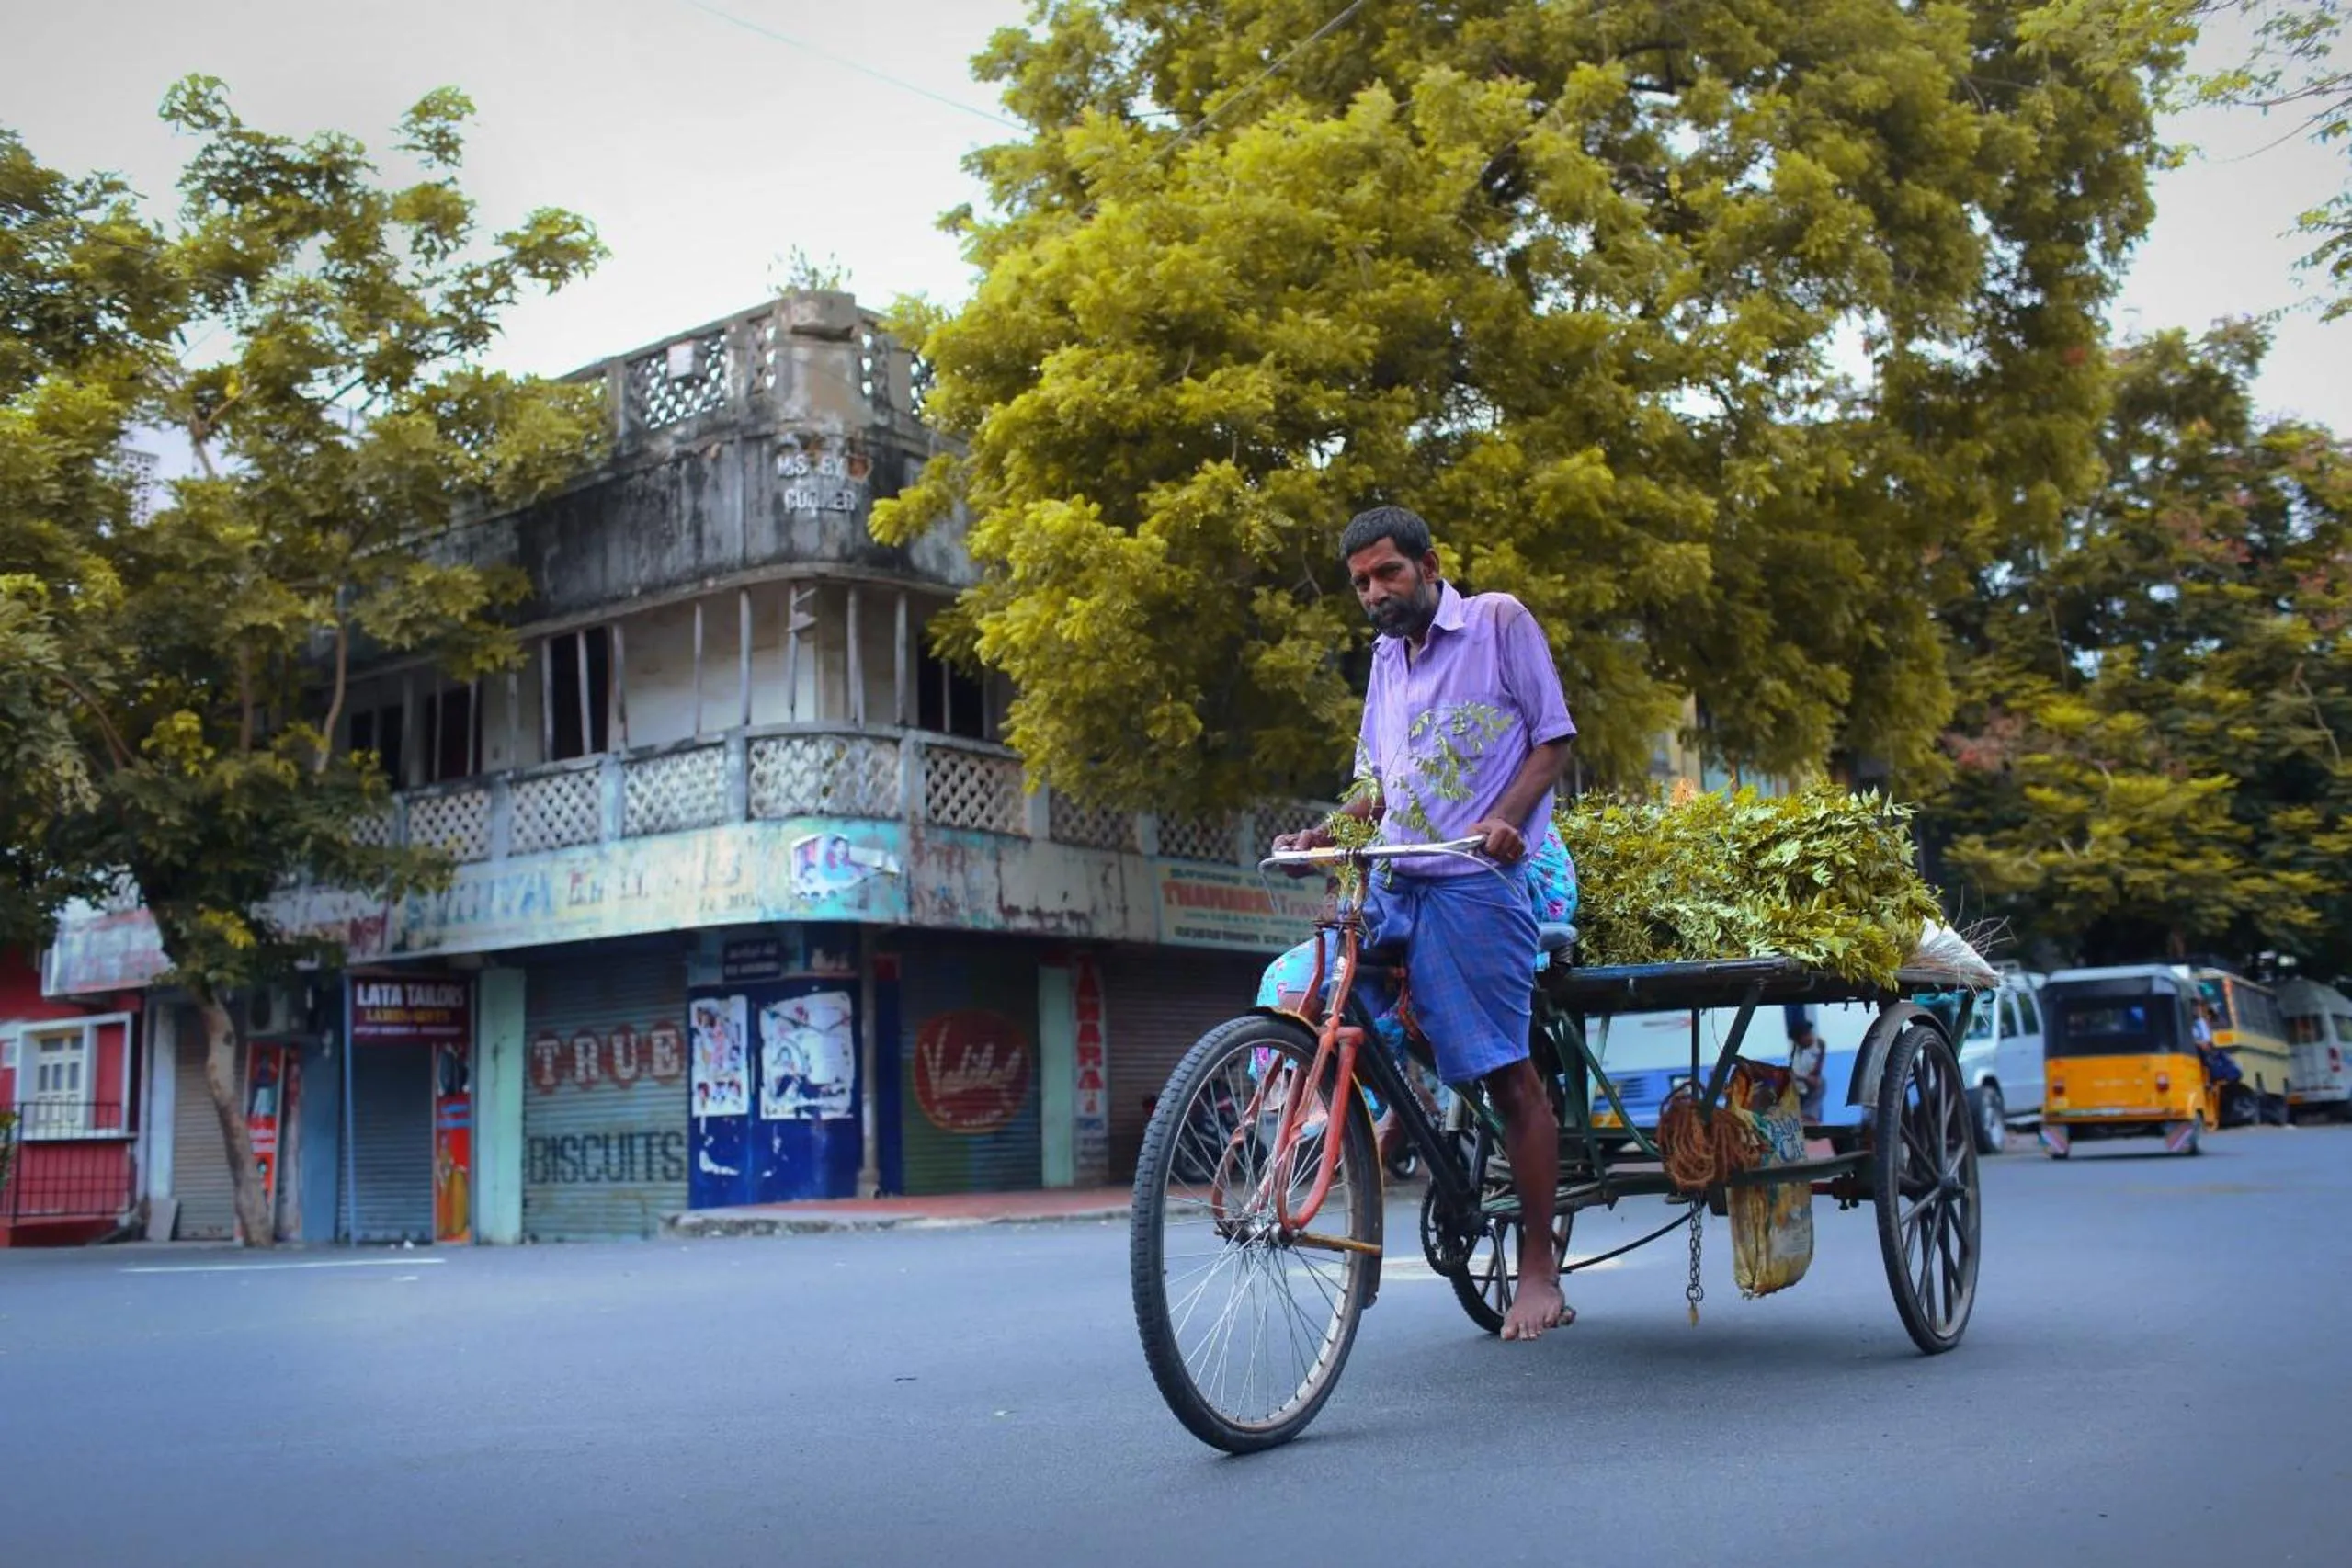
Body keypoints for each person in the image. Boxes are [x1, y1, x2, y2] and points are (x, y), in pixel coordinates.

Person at [1273, 506, 1578, 1341]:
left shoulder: (1497, 622)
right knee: (1312, 993)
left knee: (1506, 1076)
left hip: (1476, 875)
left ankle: (1539, 1269)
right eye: (1360, 583)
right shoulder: (1383, 661)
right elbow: (1375, 787)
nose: (1374, 592)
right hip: (1393, 875)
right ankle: (1389, 1121)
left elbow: (1551, 741)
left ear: (1429, 565)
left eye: (1387, 573)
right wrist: (1320, 834)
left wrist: (1505, 818)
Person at [1786, 1006, 1826, 1125]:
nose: (1811, 1037)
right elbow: (1811, 1079)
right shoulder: (1798, 1057)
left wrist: (1822, 1053)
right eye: (1808, 1034)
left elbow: (1815, 1075)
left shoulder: (1809, 1054)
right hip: (1801, 1098)